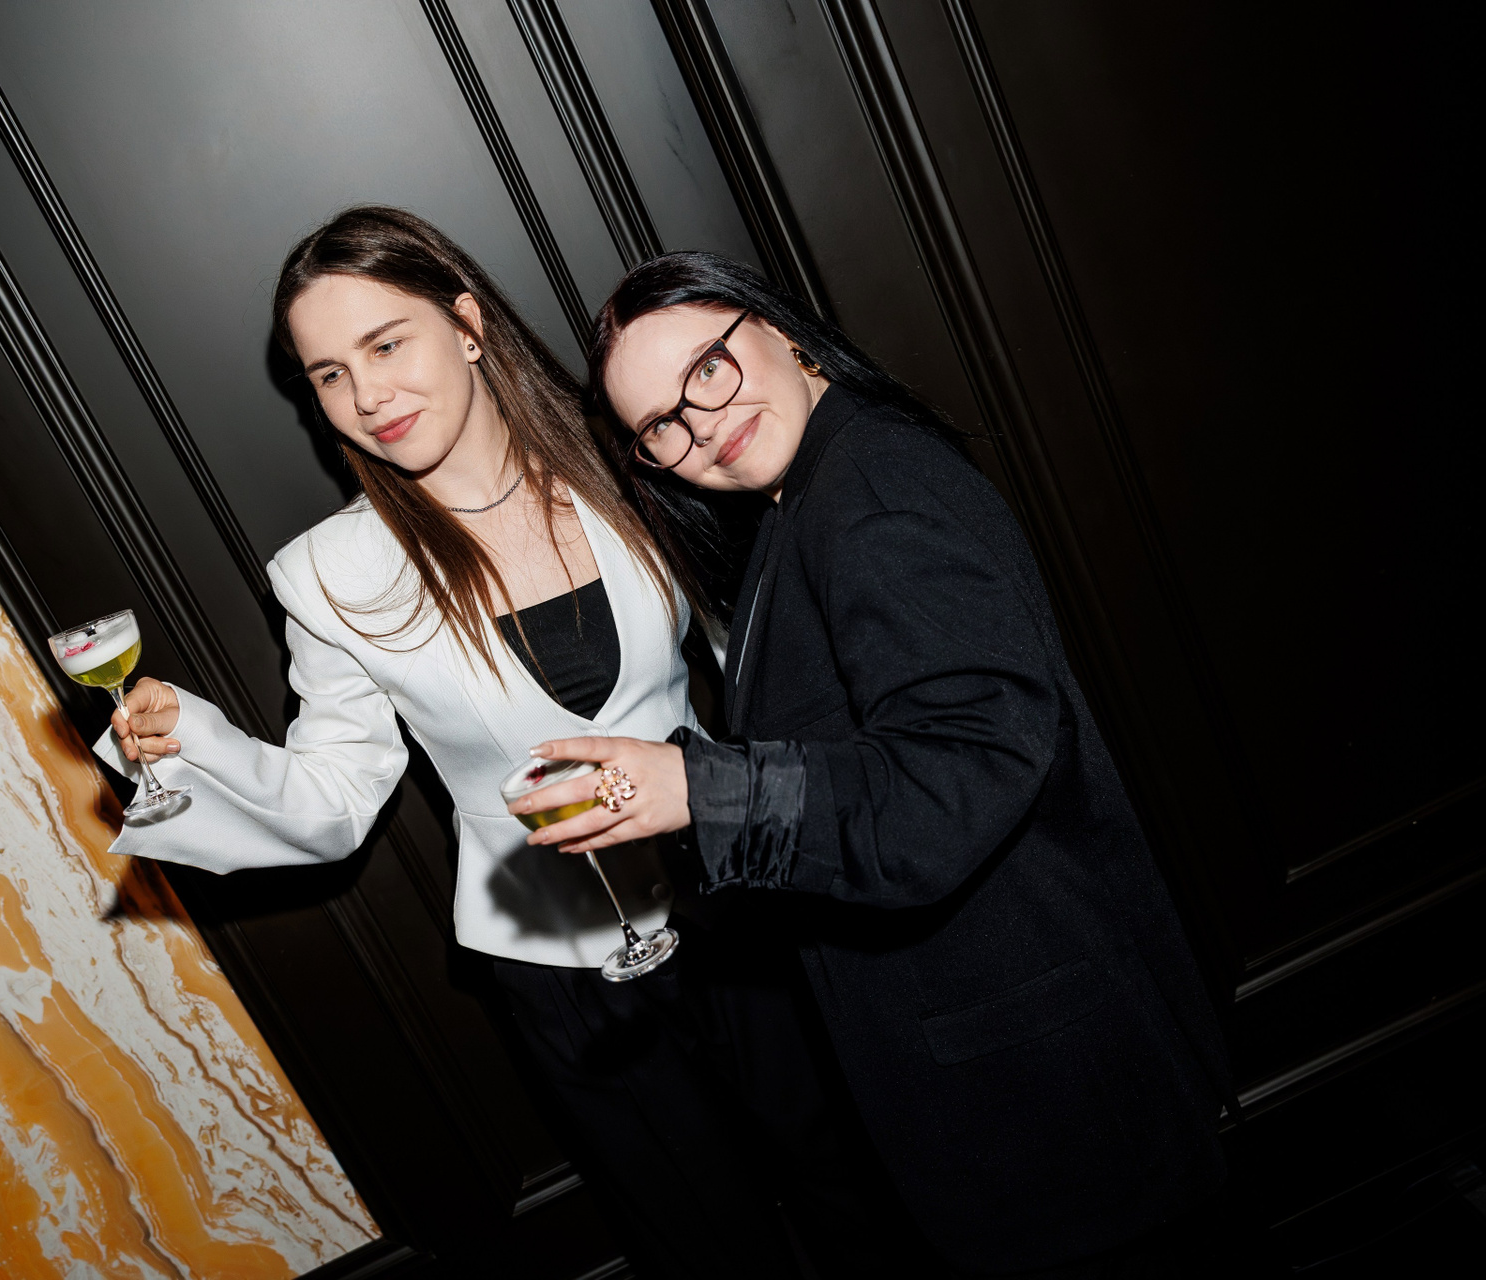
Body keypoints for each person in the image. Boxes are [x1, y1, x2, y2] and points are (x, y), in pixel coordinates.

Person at [100, 209, 901, 1278]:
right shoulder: (329, 575)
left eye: (387, 344)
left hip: (739, 901)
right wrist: (187, 743)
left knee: (858, 1187)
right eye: (330, 374)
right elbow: (333, 801)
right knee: (707, 1246)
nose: (367, 395)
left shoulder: (631, 464)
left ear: (467, 323)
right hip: (562, 966)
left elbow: (758, 644)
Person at [515, 251, 1235, 1277]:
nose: (701, 423)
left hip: (1052, 1088)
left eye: (708, 368)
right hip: (1005, 1081)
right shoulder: (802, 502)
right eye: (661, 425)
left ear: (780, 331)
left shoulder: (874, 486)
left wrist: (701, 792)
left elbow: (953, 778)